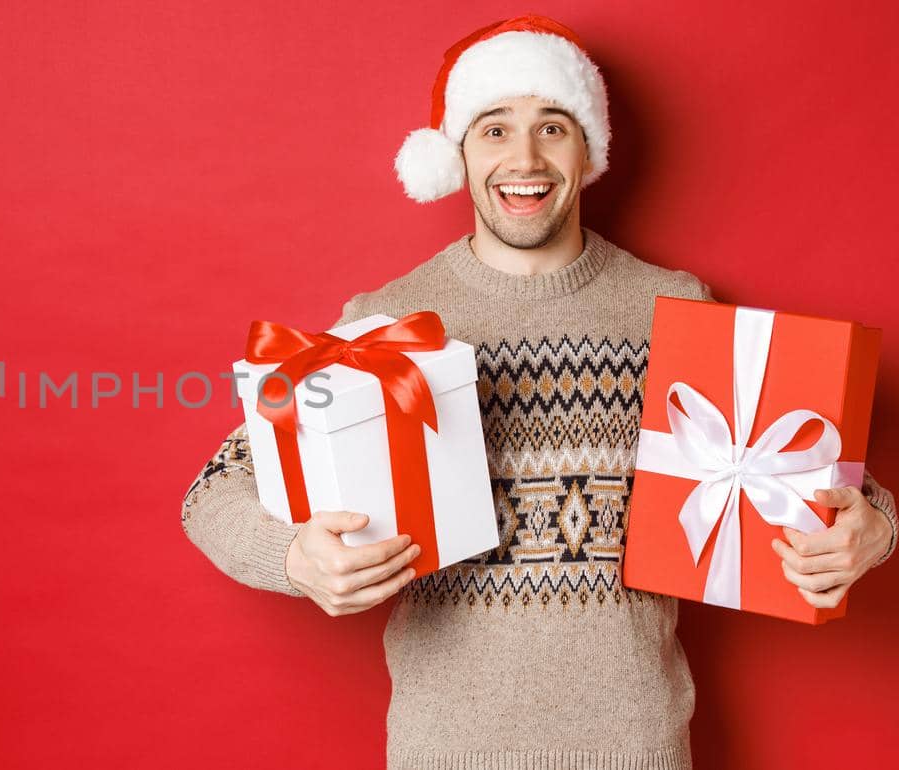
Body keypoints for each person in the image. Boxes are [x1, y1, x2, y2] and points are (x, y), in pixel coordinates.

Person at [178, 14, 898, 769]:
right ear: (456, 153)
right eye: (494, 129)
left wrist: (874, 527)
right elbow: (214, 489)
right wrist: (293, 557)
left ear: (589, 148)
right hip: (445, 752)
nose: (524, 157)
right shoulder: (380, 326)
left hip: (636, 749)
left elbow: (819, 484)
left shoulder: (673, 309)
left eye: (553, 127)